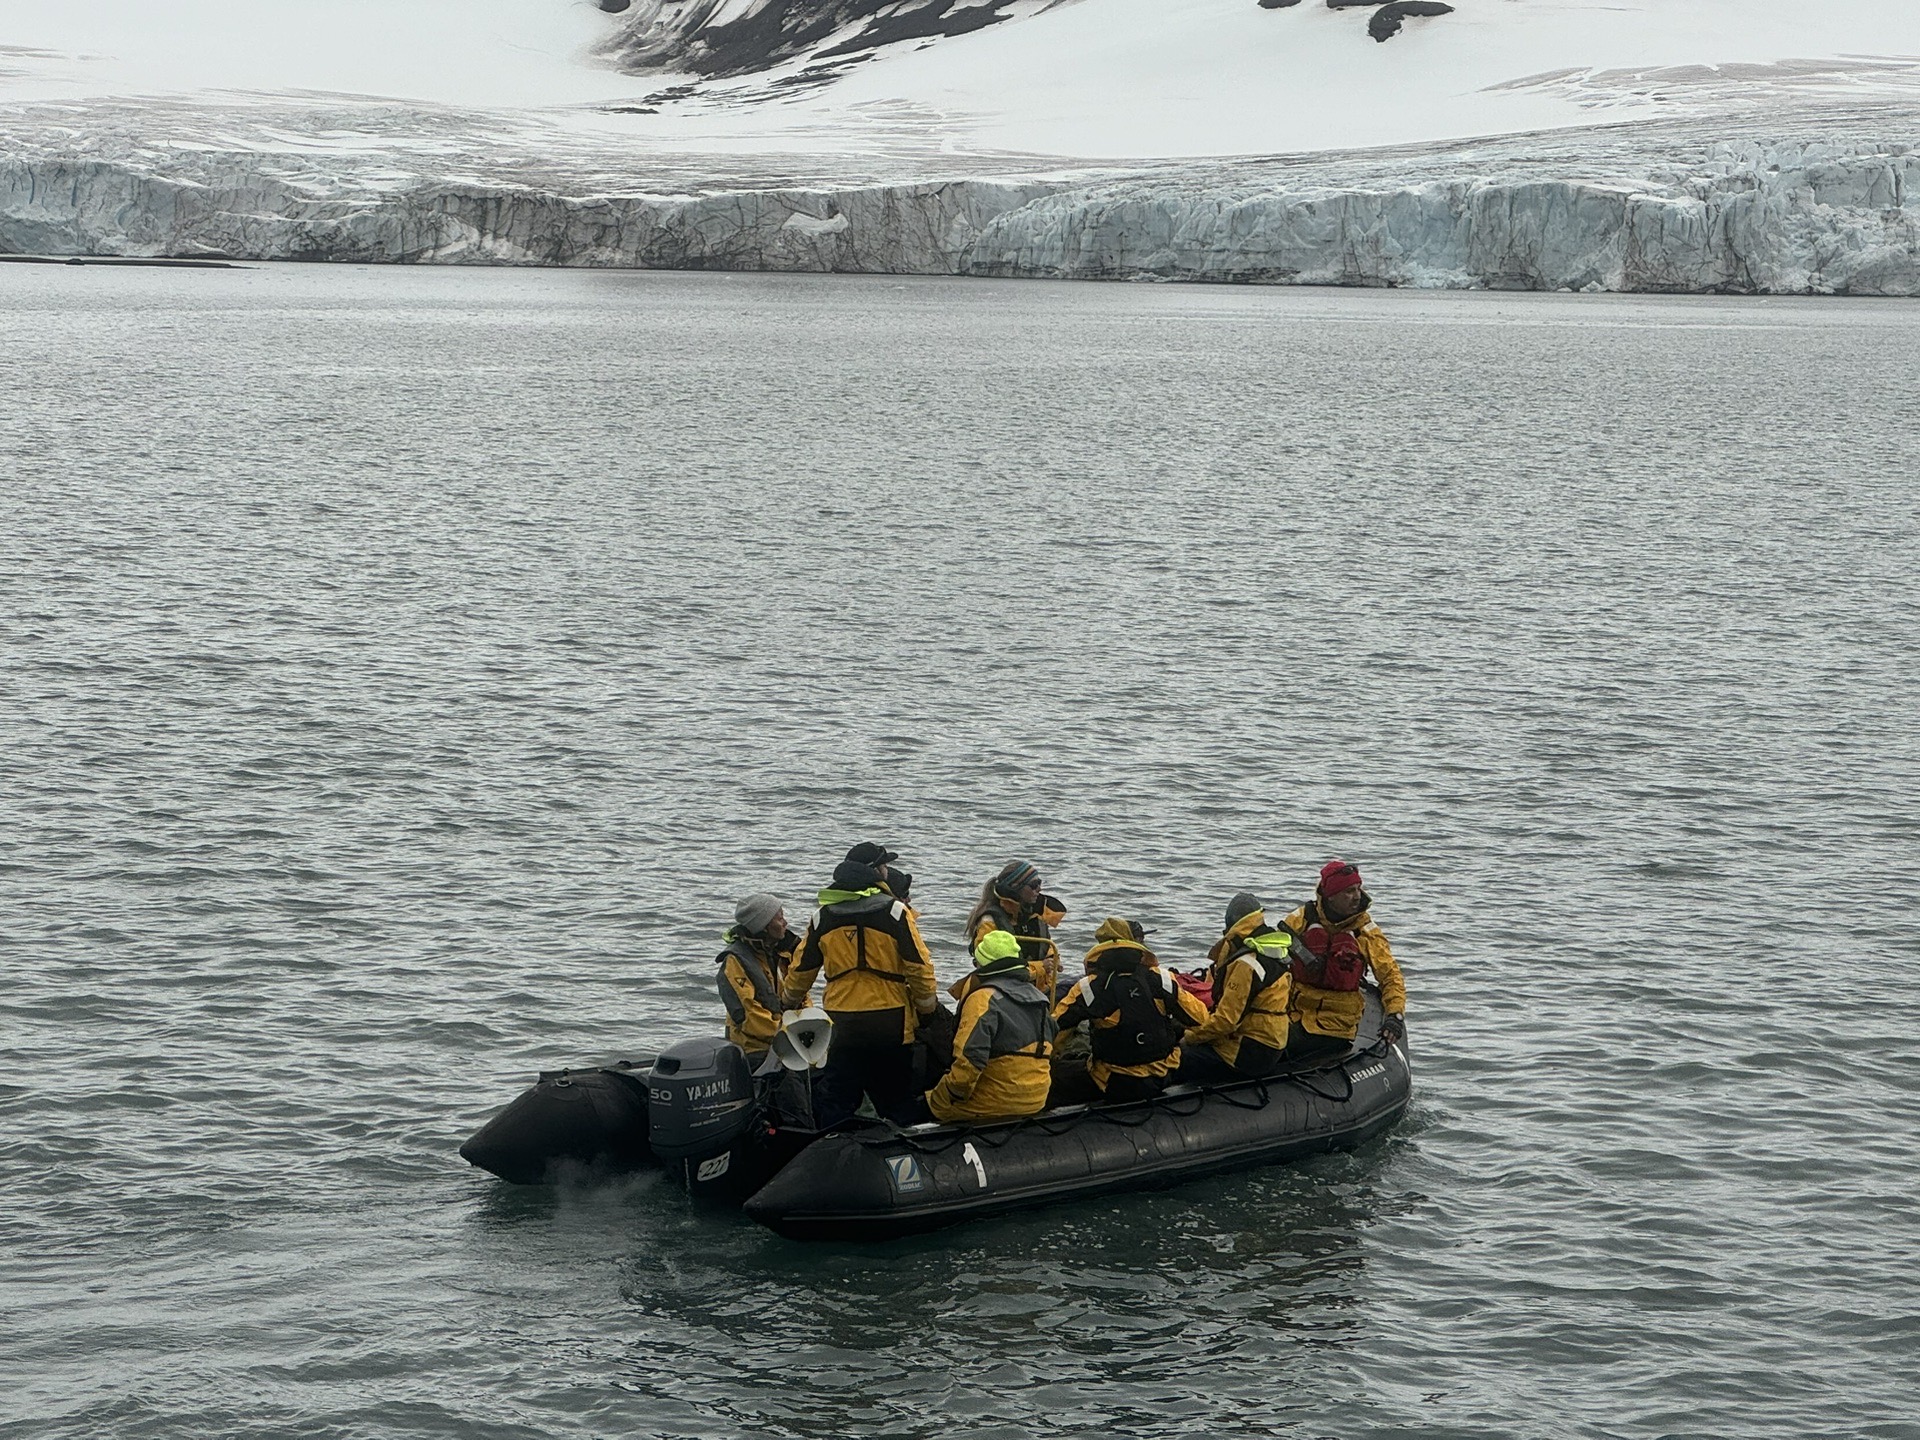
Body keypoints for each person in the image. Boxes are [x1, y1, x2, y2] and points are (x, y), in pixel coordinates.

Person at [779, 856, 940, 1126]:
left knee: (839, 1098)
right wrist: (927, 1009)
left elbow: (801, 971)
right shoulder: (896, 913)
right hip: (891, 1023)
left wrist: (787, 1001)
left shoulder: (823, 918)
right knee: (896, 1098)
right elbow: (920, 967)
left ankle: (830, 1149)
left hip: (842, 1023)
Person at [1051, 918, 1209, 1104]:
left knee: (1057, 1075)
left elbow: (1054, 1032)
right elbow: (1200, 1018)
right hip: (1164, 1076)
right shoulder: (1162, 978)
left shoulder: (1087, 988)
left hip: (1115, 1081)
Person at [922, 930, 1056, 1124]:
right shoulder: (1040, 999)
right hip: (1036, 1100)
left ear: (980, 965)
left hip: (993, 1104)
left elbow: (970, 1062)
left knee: (918, 1105)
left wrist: (943, 1096)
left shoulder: (982, 999)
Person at [1283, 858, 1408, 1054]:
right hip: (1294, 1014)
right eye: (1349, 891)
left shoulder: (1365, 932)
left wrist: (1395, 1015)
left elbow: (1390, 976)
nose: (1357, 896)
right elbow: (1271, 961)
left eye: (1358, 889)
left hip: (1336, 1025)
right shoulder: (1300, 920)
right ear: (1330, 896)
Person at [1177, 892, 1295, 1081]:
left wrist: (1190, 1037)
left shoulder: (1245, 963)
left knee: (1177, 1056)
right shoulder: (1272, 948)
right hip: (1272, 1043)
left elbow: (1227, 1020)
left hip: (1248, 1052)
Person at [954, 860, 1066, 1000]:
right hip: (1007, 995)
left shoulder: (1035, 914)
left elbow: (1046, 945)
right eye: (1033, 885)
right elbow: (996, 968)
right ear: (1015, 888)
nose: (1039, 889)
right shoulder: (990, 923)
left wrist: (1053, 959)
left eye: (1039, 883)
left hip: (1039, 992)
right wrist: (1041, 967)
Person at [715, 892, 798, 1057]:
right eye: (779, 918)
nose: (785, 923)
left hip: (788, 1040)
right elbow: (748, 1014)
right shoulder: (735, 961)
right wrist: (787, 1033)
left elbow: (799, 993)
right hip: (752, 1048)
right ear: (765, 926)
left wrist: (806, 1026)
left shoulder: (784, 953)